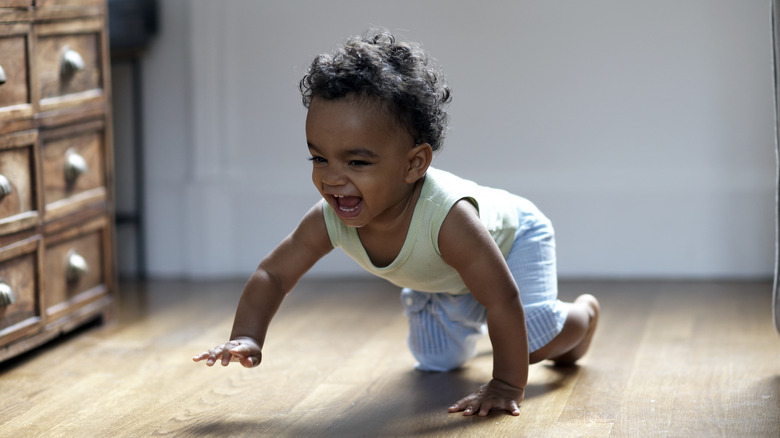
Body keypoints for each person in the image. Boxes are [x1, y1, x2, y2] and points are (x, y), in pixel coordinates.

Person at [193, 30, 599, 417]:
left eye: (357, 162)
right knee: (436, 361)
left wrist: (507, 384)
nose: (332, 179)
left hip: (514, 242)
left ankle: (583, 316)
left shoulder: (449, 217)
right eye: (319, 158)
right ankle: (471, 316)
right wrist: (248, 335)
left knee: (532, 341)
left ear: (414, 164)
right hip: (449, 276)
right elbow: (273, 274)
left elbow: (503, 298)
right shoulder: (331, 219)